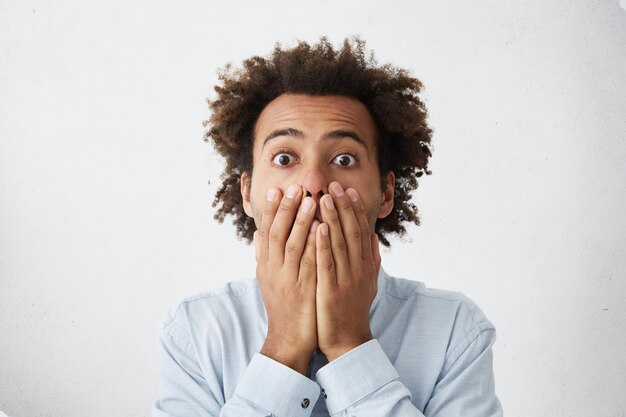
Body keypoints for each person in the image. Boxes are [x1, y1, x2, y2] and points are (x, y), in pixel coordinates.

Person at [153, 37, 503, 417]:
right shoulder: (195, 331)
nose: (315, 182)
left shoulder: (455, 331)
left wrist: (350, 344)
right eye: (285, 157)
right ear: (248, 193)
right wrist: (284, 348)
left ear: (386, 192)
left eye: (344, 158)